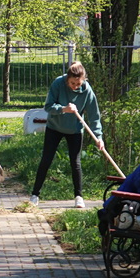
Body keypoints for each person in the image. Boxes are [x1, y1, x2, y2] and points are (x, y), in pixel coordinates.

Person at [30, 61, 104, 209]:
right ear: (67, 79)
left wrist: (99, 137)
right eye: (72, 83)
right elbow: (48, 106)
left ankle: (79, 197)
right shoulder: (58, 83)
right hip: (54, 127)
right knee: (46, 159)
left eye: (78, 84)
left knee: (75, 163)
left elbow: (94, 116)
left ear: (83, 80)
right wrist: (63, 109)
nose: (75, 86)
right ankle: (34, 195)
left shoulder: (87, 90)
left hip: (74, 130)